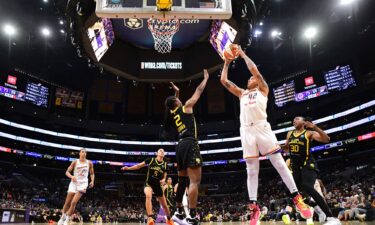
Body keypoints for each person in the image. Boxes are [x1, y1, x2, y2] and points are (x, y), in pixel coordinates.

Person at [220, 45, 313, 225]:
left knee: (279, 163)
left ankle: (297, 198)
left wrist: (242, 53)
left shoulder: (263, 89)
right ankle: (254, 207)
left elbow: (254, 69)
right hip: (246, 130)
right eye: (249, 78)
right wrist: (226, 63)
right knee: (252, 170)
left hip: (262, 128)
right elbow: (224, 81)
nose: (250, 78)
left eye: (252, 77)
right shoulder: (242, 93)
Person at [164, 70, 209, 225]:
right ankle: (192, 216)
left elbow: (173, 102)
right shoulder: (186, 107)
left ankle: (179, 212)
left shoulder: (173, 113)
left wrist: (176, 92)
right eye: (178, 99)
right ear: (177, 102)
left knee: (182, 180)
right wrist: (205, 79)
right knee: (195, 181)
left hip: (180, 146)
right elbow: (198, 91)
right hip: (190, 143)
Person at [285, 116, 341, 225]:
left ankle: (331, 218)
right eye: (293, 120)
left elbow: (326, 139)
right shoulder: (289, 134)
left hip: (307, 163)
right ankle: (312, 205)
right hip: (295, 166)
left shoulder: (309, 133)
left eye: (297, 119)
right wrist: (275, 147)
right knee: (290, 190)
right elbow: (287, 148)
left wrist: (315, 127)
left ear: (304, 122)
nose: (294, 120)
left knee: (307, 186)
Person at [121, 149, 174, 225]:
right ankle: (150, 218)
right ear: (157, 153)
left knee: (165, 205)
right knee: (148, 196)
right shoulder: (151, 160)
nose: (162, 151)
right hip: (148, 183)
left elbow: (165, 174)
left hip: (157, 185)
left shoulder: (165, 164)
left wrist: (163, 179)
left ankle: (169, 219)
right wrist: (128, 168)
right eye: (160, 151)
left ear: (164, 154)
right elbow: (138, 166)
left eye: (163, 151)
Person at [57, 149, 95, 225]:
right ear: (79, 153)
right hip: (74, 183)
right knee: (67, 203)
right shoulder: (75, 162)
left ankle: (67, 219)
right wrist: (72, 177)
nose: (84, 153)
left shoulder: (89, 163)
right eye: (83, 152)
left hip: (83, 183)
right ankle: (62, 217)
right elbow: (67, 172)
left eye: (85, 152)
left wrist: (92, 181)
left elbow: (92, 173)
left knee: (74, 202)